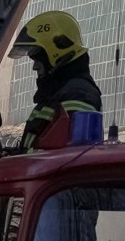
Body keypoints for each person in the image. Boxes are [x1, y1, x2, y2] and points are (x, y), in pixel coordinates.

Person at [13, 9, 103, 151]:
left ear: (56, 53)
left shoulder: (78, 95)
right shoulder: (56, 94)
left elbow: (67, 156)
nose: (35, 67)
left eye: (39, 59)